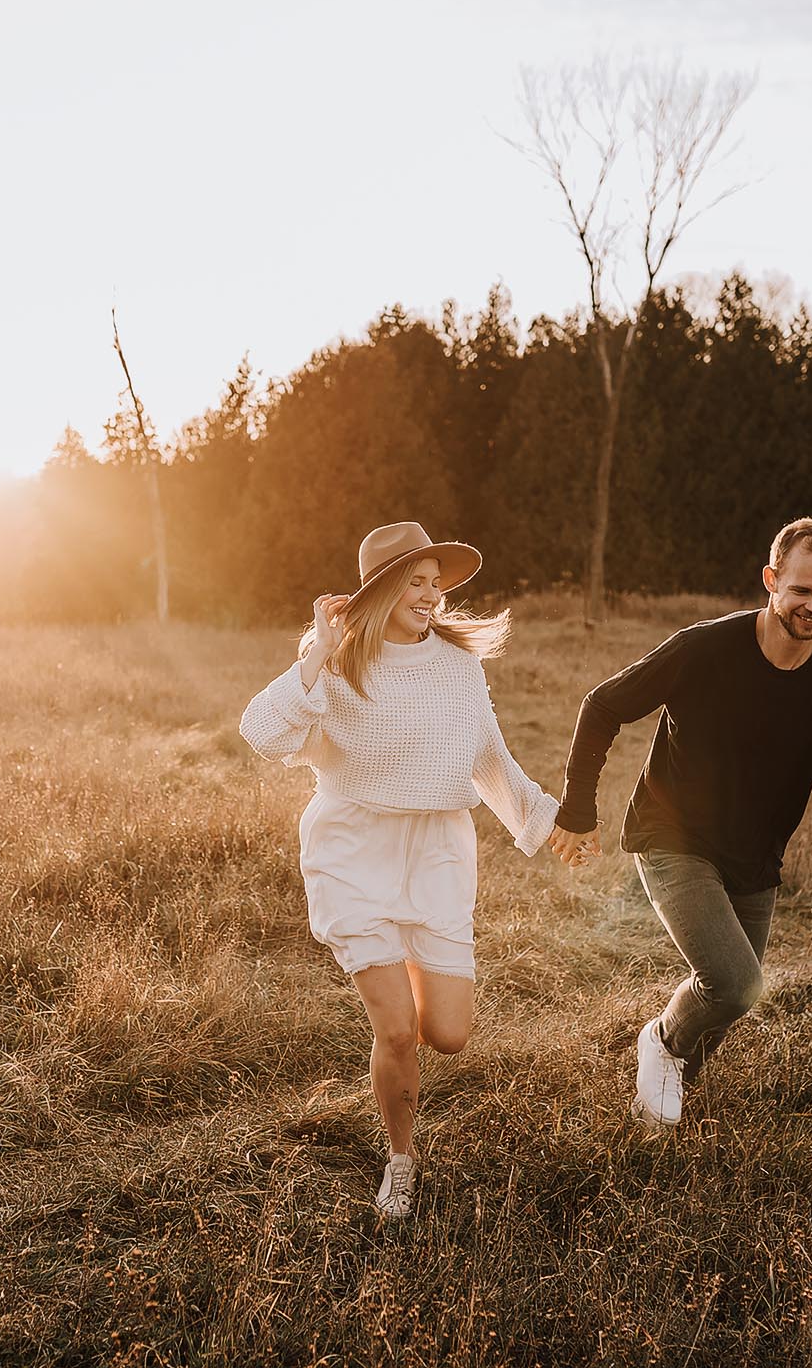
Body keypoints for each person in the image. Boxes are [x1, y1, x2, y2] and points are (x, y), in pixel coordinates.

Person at [240, 521, 560, 1218]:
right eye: (414, 581)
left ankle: (403, 1041)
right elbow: (262, 734)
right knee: (397, 1029)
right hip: (353, 849)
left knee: (448, 1031)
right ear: (381, 589)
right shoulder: (338, 657)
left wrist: (546, 821)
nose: (430, 593)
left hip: (437, 854)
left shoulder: (457, 666)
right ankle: (401, 1157)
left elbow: (489, 758)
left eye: (434, 582)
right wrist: (317, 653)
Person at [545, 517, 812, 1131]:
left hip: (754, 854)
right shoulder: (705, 648)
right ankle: (663, 1044)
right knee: (735, 981)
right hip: (674, 835)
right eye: (802, 590)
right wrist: (577, 809)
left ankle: (664, 1097)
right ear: (771, 581)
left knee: (732, 998)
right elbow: (603, 705)